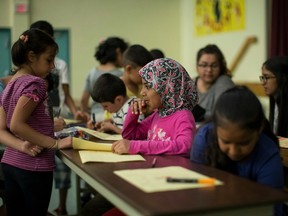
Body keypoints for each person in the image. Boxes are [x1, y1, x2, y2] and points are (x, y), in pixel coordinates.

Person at [0, 28, 71, 216]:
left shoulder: (9, 85)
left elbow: (2, 130)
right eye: (49, 60)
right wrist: (55, 143)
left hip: (10, 164)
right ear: (31, 56)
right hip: (33, 167)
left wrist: (22, 145)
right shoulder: (36, 83)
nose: (53, 66)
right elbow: (16, 124)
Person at [190, 86, 284, 216]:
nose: (234, 151)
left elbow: (272, 209)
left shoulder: (268, 153)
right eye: (226, 142)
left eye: (244, 143)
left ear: (259, 130)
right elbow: (197, 193)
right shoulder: (204, 138)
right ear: (216, 130)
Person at [30, 20, 81, 216]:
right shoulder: (27, 72)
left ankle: (62, 205)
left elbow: (66, 94)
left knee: (62, 165)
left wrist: (75, 111)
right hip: (38, 119)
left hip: (57, 116)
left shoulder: (60, 65)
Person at [112, 57, 198, 156]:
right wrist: (133, 112)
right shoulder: (158, 114)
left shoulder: (183, 116)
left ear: (166, 88)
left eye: (147, 87)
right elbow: (129, 136)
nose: (142, 92)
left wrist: (136, 146)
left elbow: (185, 145)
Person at [80, 37, 129, 121]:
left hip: (94, 117)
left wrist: (86, 117)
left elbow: (83, 100)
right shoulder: (121, 74)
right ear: (118, 52)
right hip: (113, 118)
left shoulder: (91, 73)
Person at [195, 44, 234, 121]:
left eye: (214, 65)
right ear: (197, 67)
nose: (209, 70)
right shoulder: (190, 83)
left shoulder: (224, 81)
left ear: (221, 66)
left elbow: (223, 114)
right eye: (204, 65)